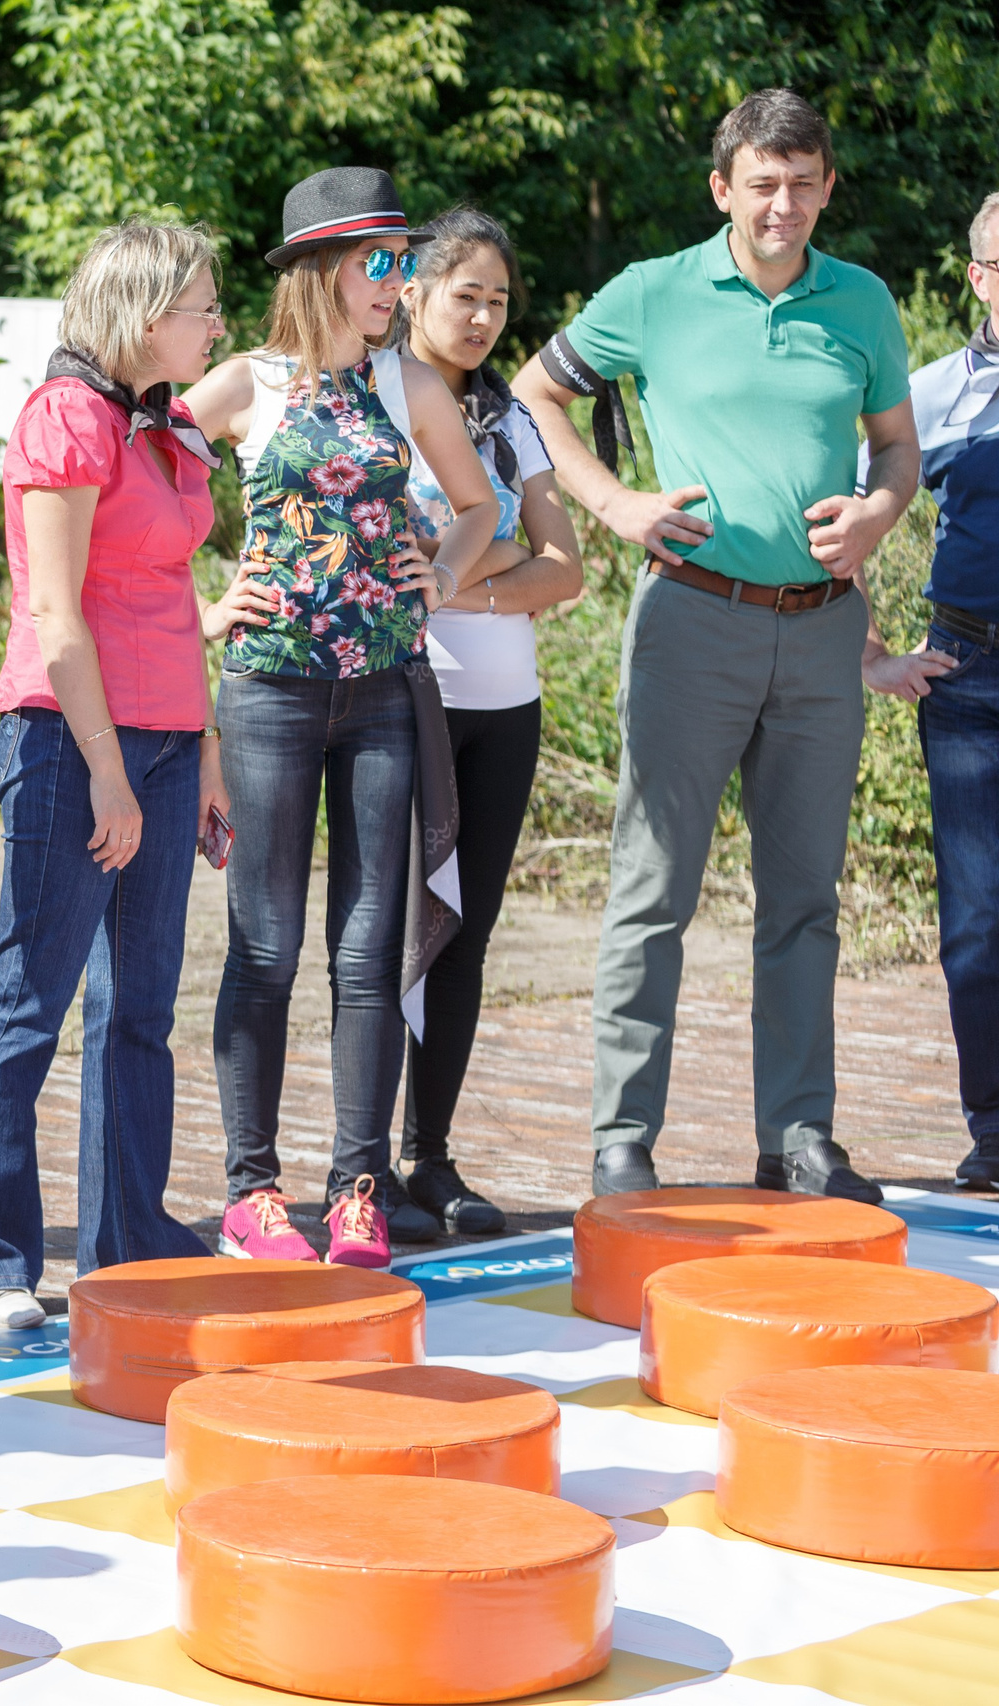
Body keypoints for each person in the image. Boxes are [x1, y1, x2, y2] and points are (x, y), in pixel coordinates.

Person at [511, 89, 919, 1202]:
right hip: (691, 619)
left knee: (804, 901)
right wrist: (611, 502)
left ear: (827, 185)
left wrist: (879, 512)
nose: (782, 203)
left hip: (823, 636)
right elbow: (533, 390)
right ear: (721, 189)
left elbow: (894, 450)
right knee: (653, 891)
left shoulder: (863, 301)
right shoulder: (654, 294)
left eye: (802, 182)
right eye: (761, 183)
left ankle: (797, 1133)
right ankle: (621, 1140)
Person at [183, 167, 499, 1267]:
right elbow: (125, 500)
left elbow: (478, 505)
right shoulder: (243, 385)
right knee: (263, 946)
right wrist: (200, 606)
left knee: (369, 952)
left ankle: (355, 1191)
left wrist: (440, 572)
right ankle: (250, 1192)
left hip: (381, 695)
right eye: (381, 261)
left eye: (404, 260)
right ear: (322, 271)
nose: (398, 279)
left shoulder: (411, 384)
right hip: (266, 690)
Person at [0, 222, 237, 1328]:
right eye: (202, 305)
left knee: (139, 1005)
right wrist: (107, 771)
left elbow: (170, 607)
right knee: (31, 996)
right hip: (71, 739)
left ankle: (127, 1237)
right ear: (144, 314)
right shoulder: (65, 416)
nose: (216, 323)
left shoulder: (166, 422)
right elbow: (55, 616)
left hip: (160, 740)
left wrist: (200, 756)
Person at [389, 208, 585, 1235]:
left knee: (464, 935)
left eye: (498, 300)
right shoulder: (375, 402)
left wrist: (464, 577)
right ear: (412, 293)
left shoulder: (513, 420)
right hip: (402, 699)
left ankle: (431, 1155)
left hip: (505, 709)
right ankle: (358, 1163)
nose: (481, 316)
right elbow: (388, 560)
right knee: (382, 932)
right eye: (463, 293)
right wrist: (498, 561)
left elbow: (569, 569)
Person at [862, 190, 999, 1191]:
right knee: (977, 920)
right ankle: (994, 1131)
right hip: (968, 681)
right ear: (977, 275)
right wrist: (868, 649)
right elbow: (834, 503)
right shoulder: (937, 390)